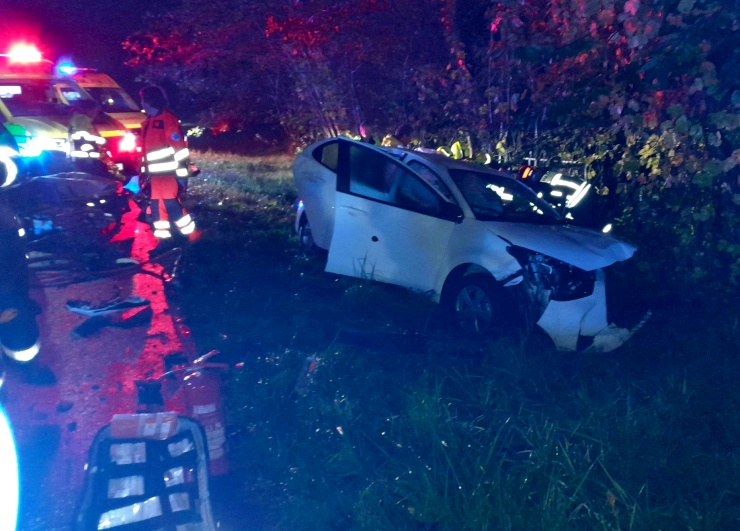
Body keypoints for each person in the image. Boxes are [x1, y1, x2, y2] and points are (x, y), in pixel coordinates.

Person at [138, 86, 199, 242]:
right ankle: (163, 238)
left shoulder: (166, 120)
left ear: (150, 101)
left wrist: (182, 174)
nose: (142, 103)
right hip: (155, 175)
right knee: (157, 205)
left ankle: (191, 234)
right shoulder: (149, 122)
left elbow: (179, 148)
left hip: (168, 173)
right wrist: (143, 173)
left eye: (143, 100)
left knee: (171, 204)